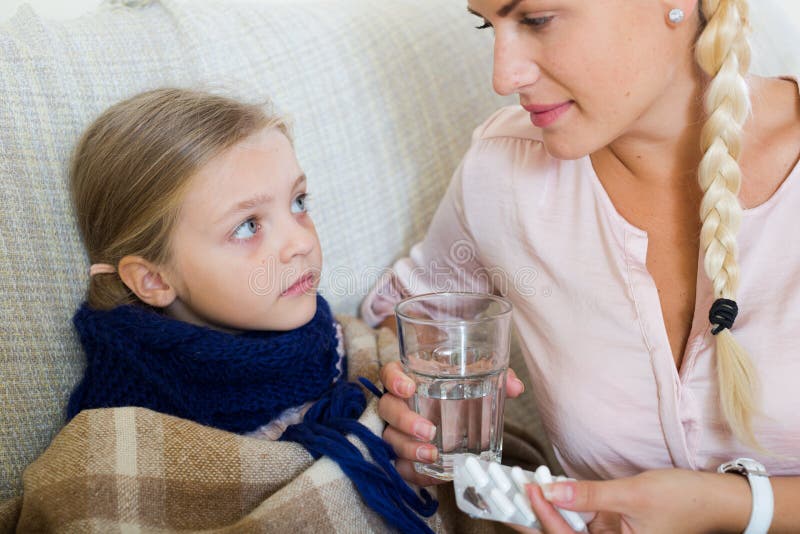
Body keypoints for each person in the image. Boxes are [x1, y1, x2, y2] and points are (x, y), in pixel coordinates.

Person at [363, 0, 800, 532]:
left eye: (536, 19)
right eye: (487, 25)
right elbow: (404, 311)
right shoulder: (502, 172)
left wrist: (731, 507)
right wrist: (414, 411)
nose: (503, 77)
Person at [66, 88, 436, 532]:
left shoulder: (351, 350)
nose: (301, 242)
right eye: (247, 226)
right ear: (155, 280)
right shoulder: (121, 439)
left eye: (299, 202)